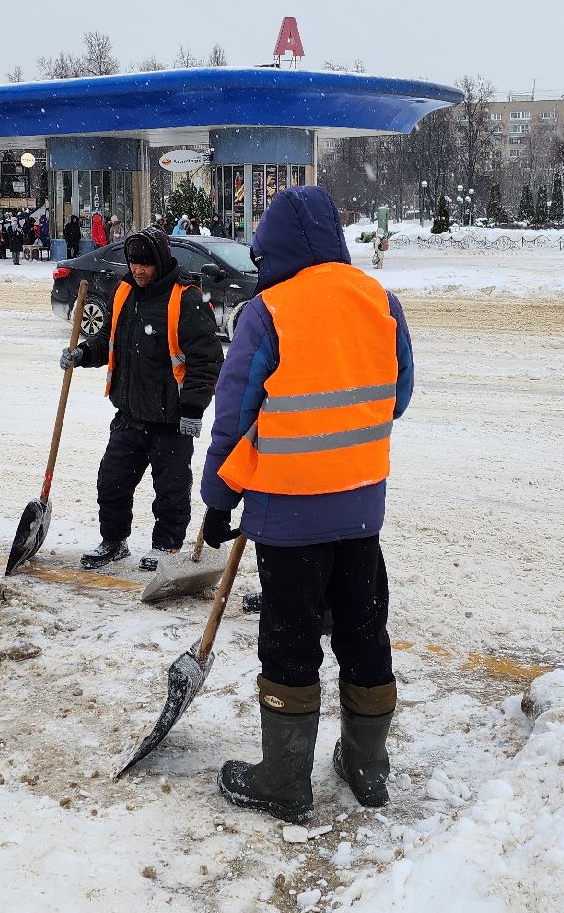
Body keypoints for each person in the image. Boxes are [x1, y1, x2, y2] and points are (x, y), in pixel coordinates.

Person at [199, 185, 414, 824]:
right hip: (361, 509)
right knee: (363, 631)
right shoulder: (381, 301)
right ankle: (367, 768)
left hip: (288, 516)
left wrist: (219, 498)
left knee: (290, 643)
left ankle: (286, 781)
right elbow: (399, 395)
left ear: (272, 250)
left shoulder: (267, 312)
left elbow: (235, 417)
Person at [60, 227, 223, 571]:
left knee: (171, 492)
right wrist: (83, 353)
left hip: (171, 420)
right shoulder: (125, 291)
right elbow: (110, 339)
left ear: (160, 263)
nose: (138, 270)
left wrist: (193, 409)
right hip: (130, 415)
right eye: (133, 263)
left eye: (145, 264)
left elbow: (207, 360)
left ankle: (166, 548)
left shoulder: (186, 298)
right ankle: (114, 541)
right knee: (111, 482)